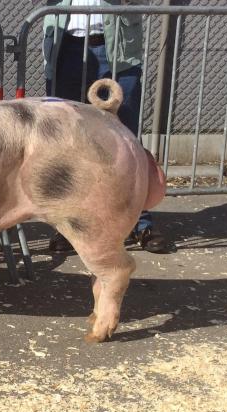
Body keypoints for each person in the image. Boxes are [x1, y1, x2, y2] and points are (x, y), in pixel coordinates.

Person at [42, 0, 173, 254]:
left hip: (117, 47)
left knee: (127, 140)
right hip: (65, 47)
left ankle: (139, 221)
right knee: (67, 143)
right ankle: (69, 225)